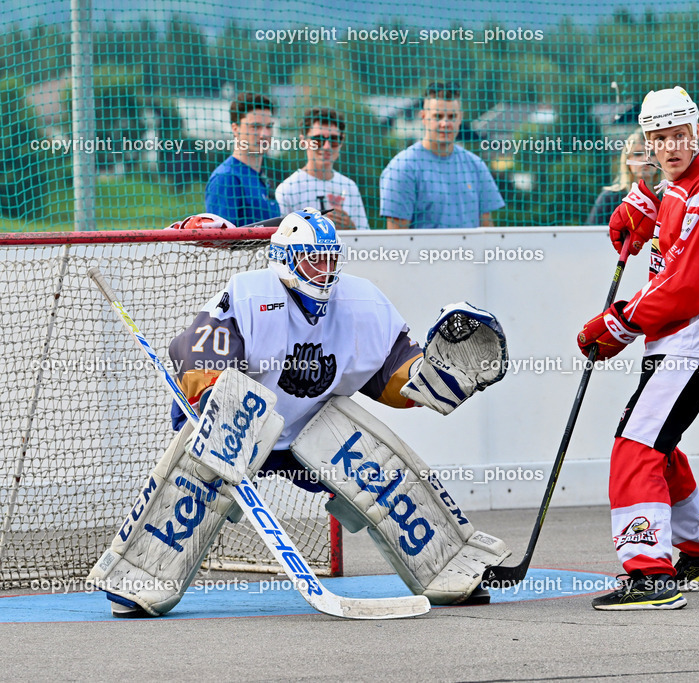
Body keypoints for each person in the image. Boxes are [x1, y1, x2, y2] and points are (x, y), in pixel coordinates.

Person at [93, 209, 511, 618]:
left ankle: (450, 566)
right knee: (199, 484)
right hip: (240, 425)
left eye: (330, 259)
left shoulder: (361, 301)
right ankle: (138, 578)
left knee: (383, 477)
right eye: (314, 259)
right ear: (286, 261)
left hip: (312, 428)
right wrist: (211, 392)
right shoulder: (252, 293)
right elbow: (198, 350)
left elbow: (390, 375)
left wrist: (431, 378)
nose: (324, 270)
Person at [577, 87, 699, 610]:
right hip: (683, 339)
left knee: (636, 448)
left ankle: (650, 573)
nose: (670, 146)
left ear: (698, 131)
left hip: (697, 340)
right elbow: (670, 235)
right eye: (659, 138)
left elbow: (687, 284)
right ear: (649, 142)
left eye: (679, 135)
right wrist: (641, 214)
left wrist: (619, 322)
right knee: (661, 444)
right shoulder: (680, 185)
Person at [379, 82, 504, 229]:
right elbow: (396, 241)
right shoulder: (402, 168)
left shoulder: (476, 165)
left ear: (460, 118)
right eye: (438, 116)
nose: (445, 123)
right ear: (424, 117)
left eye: (452, 116)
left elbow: (487, 230)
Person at [276, 107, 370, 230]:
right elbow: (279, 241)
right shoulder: (287, 190)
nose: (326, 146)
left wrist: (351, 230)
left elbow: (366, 239)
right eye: (318, 140)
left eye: (334, 139)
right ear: (303, 141)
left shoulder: (350, 187)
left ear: (342, 141)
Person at [205, 92, 281, 226]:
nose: (264, 134)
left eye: (269, 126)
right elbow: (219, 244)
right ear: (235, 129)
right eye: (255, 127)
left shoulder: (262, 178)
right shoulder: (226, 178)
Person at [586, 129, 659, 226]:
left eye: (652, 154)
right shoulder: (609, 199)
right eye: (637, 154)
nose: (646, 159)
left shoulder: (668, 198)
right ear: (627, 159)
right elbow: (592, 236)